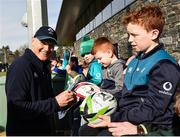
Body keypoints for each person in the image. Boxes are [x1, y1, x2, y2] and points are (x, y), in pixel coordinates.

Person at [79, 4, 180, 136]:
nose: (129, 39)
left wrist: (114, 118)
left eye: (134, 35)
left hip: (147, 124)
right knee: (85, 130)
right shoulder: (135, 60)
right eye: (128, 34)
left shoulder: (164, 65)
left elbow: (154, 109)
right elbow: (125, 93)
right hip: (126, 114)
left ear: (154, 33)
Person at [5, 26, 76, 136]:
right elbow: (17, 108)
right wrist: (55, 103)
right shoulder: (21, 66)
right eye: (43, 42)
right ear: (33, 41)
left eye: (51, 45)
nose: (47, 48)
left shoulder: (44, 67)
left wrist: (65, 102)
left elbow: (47, 101)